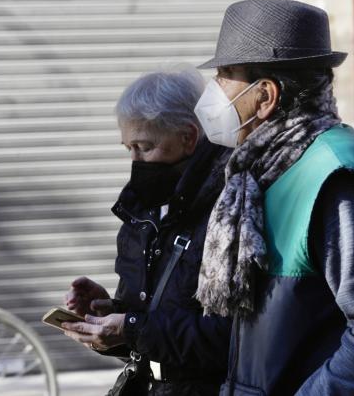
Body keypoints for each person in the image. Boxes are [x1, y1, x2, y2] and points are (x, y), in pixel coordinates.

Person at [193, 0, 354, 395]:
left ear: (265, 96)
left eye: (225, 76)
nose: (213, 91)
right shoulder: (267, 170)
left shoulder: (334, 178)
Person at [61, 67, 232, 395]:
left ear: (188, 137)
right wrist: (110, 311)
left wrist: (131, 327)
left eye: (145, 146)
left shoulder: (228, 210)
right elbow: (149, 328)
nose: (136, 161)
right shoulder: (142, 212)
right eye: (129, 149)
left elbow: (232, 337)